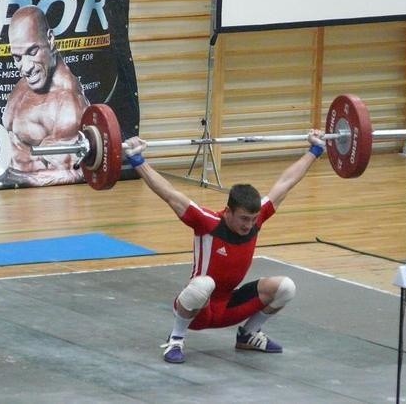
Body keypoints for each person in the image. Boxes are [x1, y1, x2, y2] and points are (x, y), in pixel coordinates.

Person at [124, 130, 326, 363]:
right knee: (204, 284)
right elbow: (169, 194)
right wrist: (137, 159)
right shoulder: (206, 222)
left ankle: (248, 335)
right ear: (228, 211)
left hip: (230, 307)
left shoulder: (256, 219)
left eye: (252, 219)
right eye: (243, 219)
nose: (249, 225)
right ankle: (176, 339)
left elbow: (286, 182)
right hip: (198, 309)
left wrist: (315, 151)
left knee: (286, 287)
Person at [2, 5, 90, 187]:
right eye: (17, 58)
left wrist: (20, 180)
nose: (26, 68)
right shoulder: (24, 84)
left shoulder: (67, 102)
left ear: (50, 39)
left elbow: (76, 172)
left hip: (46, 203)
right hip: (13, 196)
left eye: (32, 52)